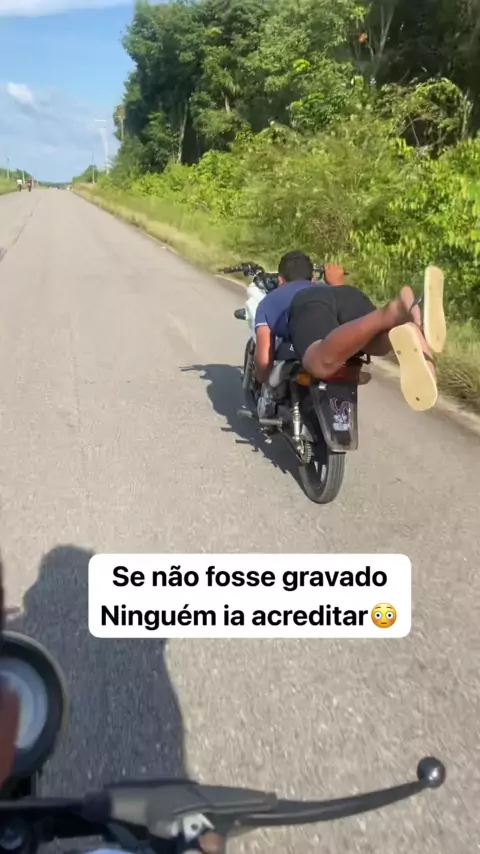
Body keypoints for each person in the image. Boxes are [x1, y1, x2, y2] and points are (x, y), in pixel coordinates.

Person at [254, 250, 446, 413]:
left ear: (280, 280)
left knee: (319, 363)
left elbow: (263, 360)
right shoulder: (323, 287)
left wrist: (262, 379)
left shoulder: (269, 301)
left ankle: (392, 312)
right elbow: (339, 316)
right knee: (375, 343)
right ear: (312, 278)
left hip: (308, 303)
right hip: (347, 294)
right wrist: (336, 281)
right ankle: (408, 323)